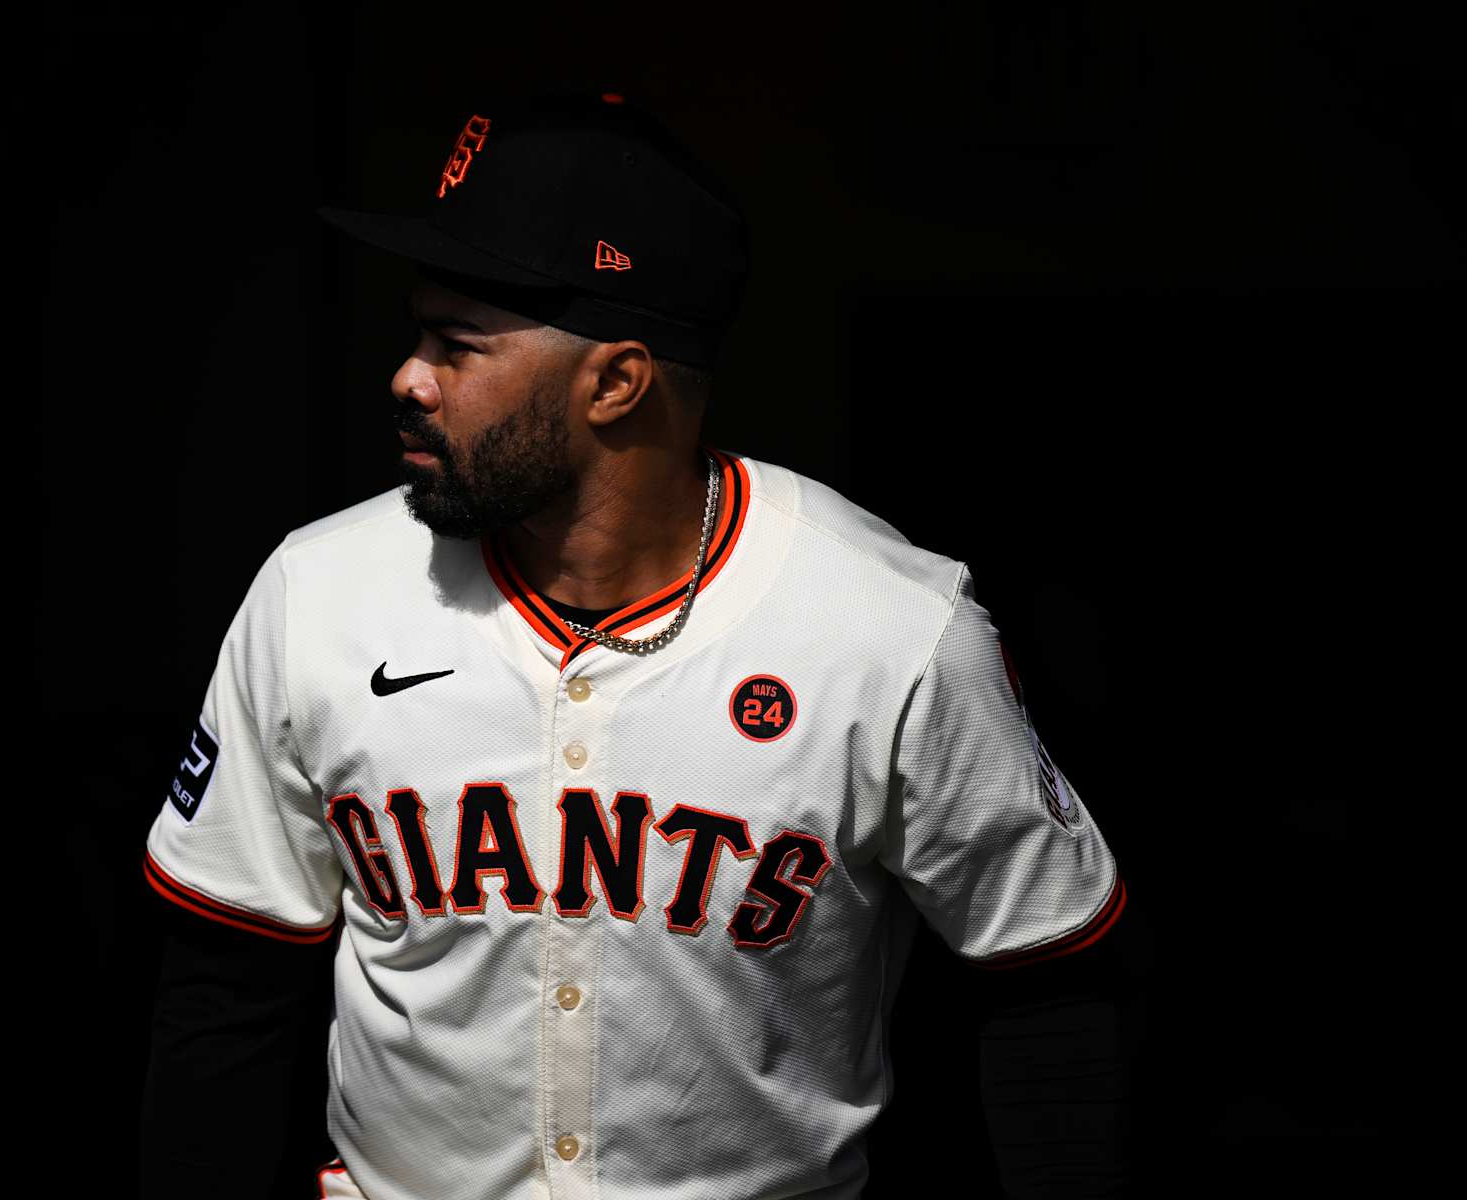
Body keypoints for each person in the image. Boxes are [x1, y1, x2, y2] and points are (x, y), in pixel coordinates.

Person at [140, 91, 1150, 1200]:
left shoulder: (893, 627)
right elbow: (227, 990)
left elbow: (1048, 978)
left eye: (456, 344)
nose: (407, 375)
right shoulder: (317, 592)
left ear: (617, 383)